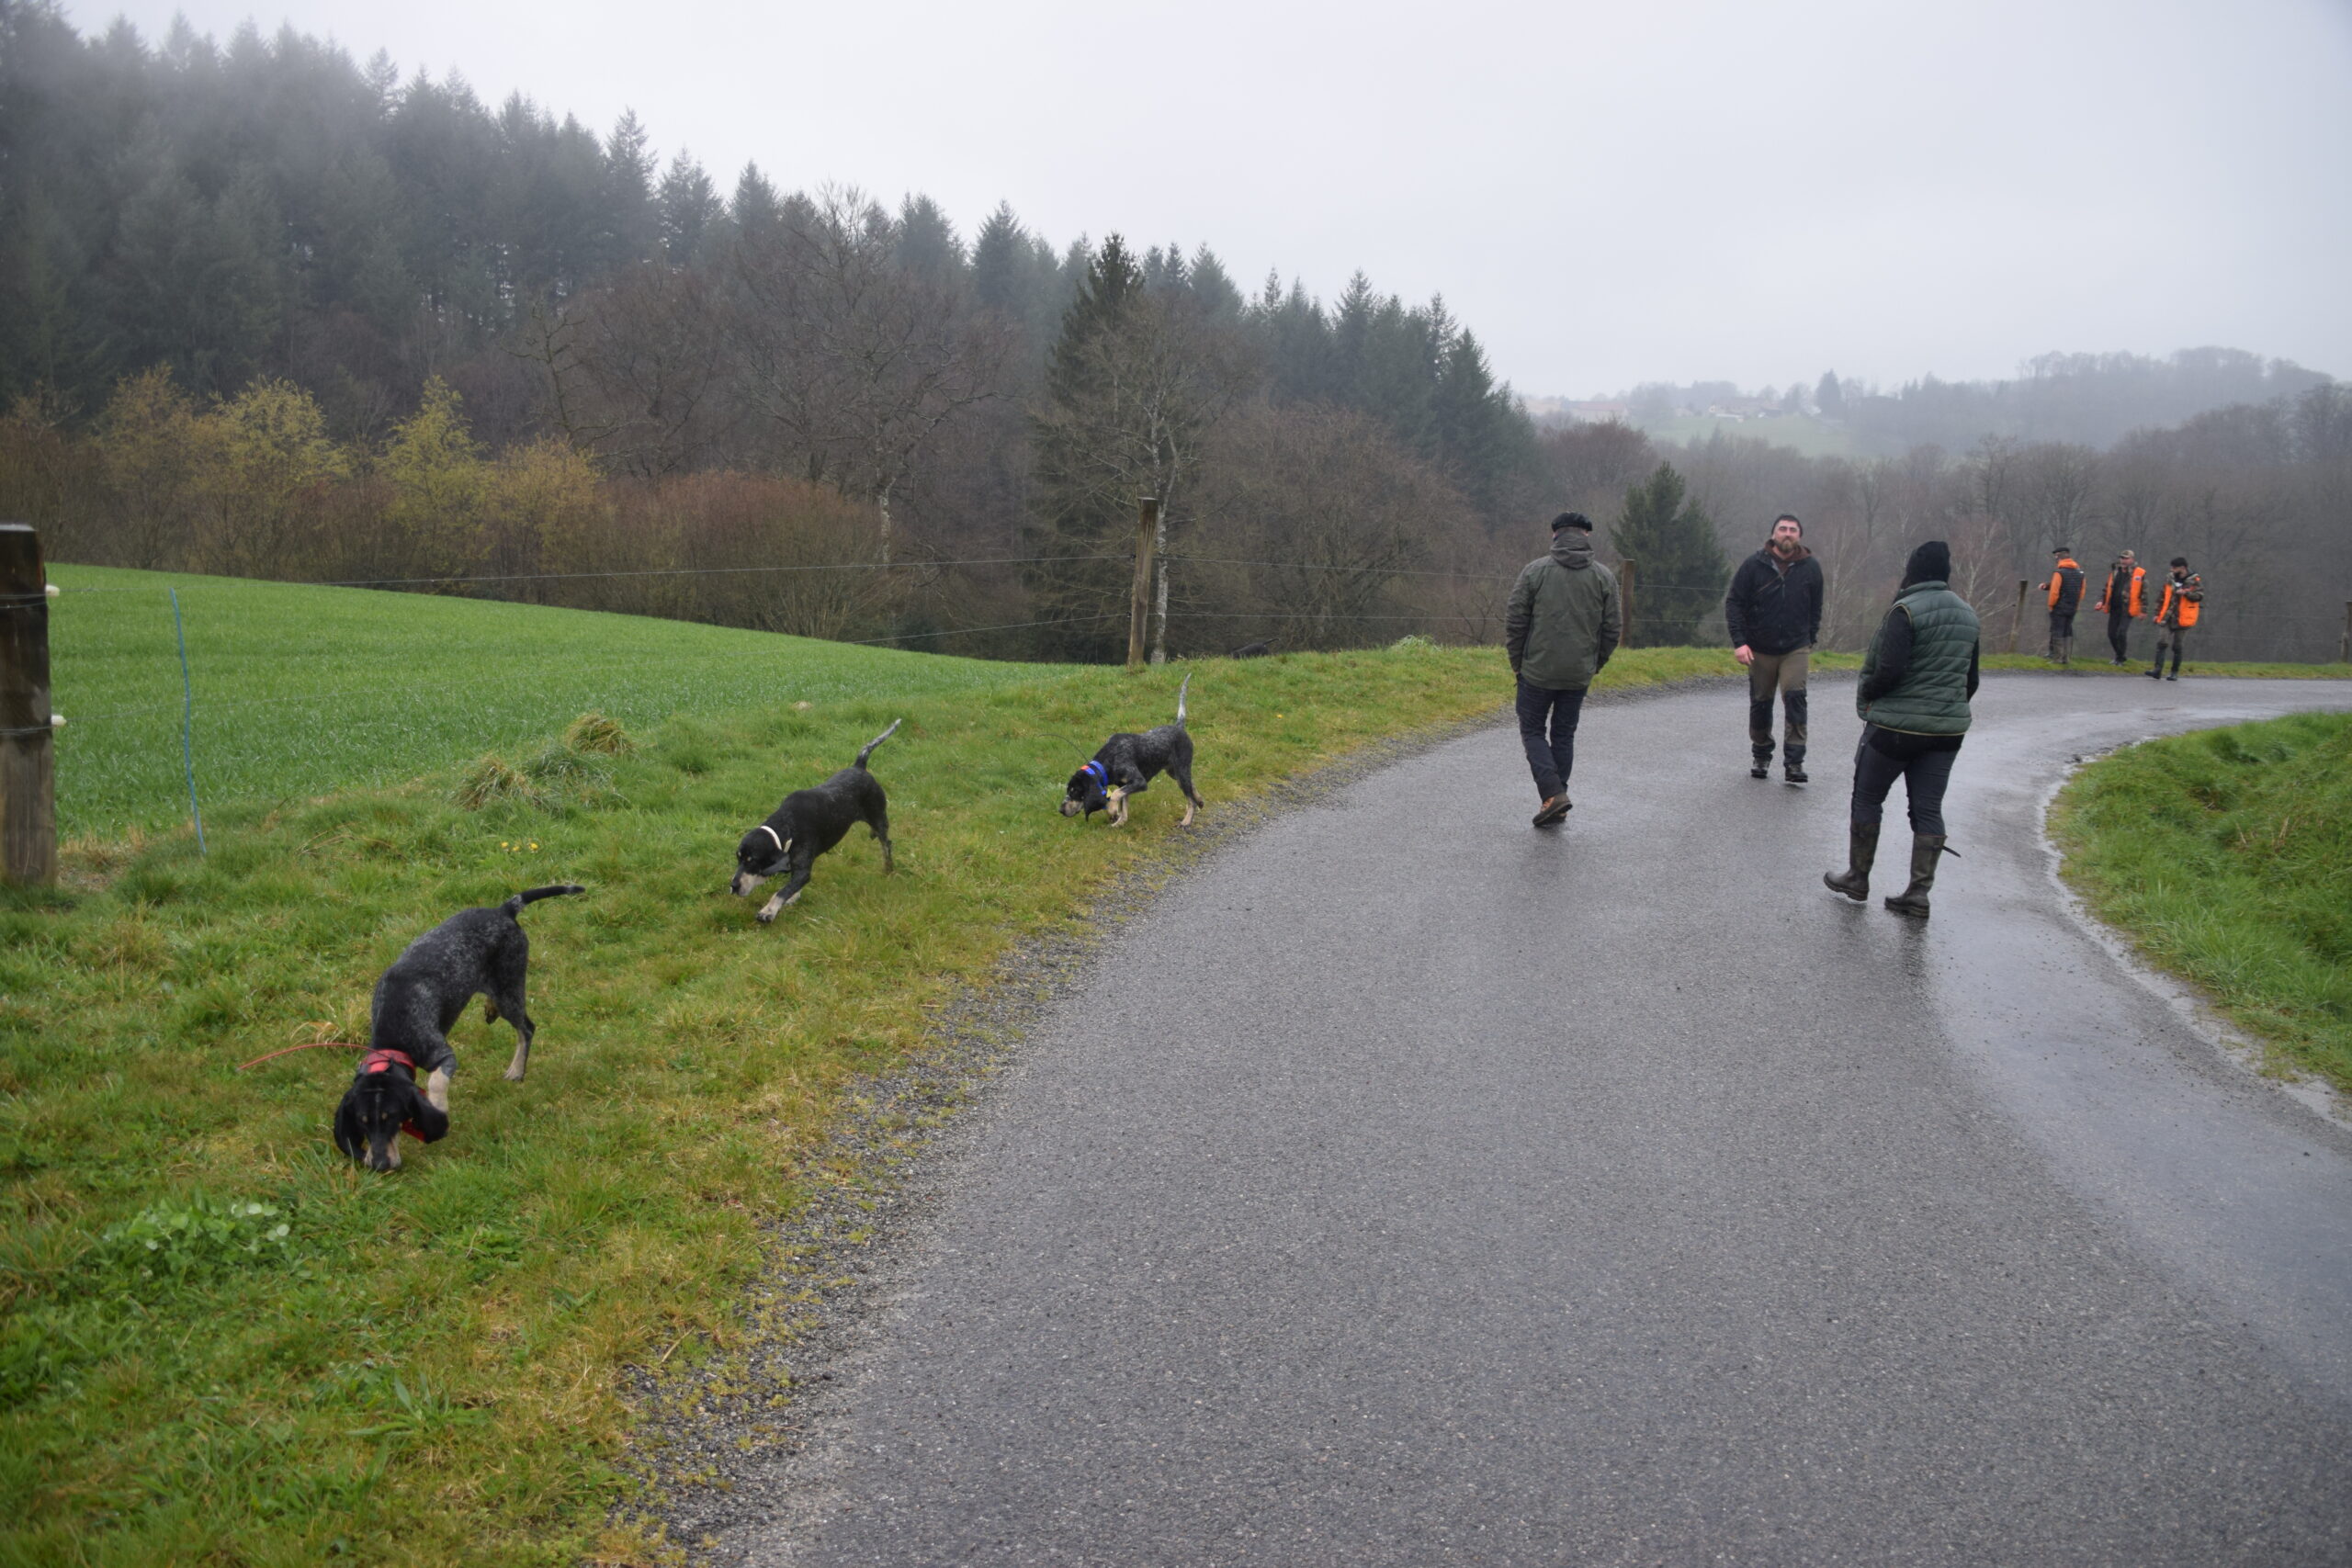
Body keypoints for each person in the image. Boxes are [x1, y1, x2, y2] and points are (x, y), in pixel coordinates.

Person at [1824, 539, 1981, 919]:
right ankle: (1917, 894)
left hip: (1893, 729)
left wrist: (1870, 694)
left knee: (1867, 796)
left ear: (1912, 570)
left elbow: (1889, 669)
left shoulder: (1905, 610)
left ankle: (1858, 877)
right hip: (1946, 734)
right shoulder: (1968, 616)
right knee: (1928, 808)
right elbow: (1971, 680)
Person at [1505, 511, 1621, 827]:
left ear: (1555, 534)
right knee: (1564, 734)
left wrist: (1518, 663)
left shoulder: (1535, 571)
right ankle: (1557, 801)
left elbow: (1515, 622)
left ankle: (1553, 794)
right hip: (1578, 673)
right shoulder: (1604, 577)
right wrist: (1594, 665)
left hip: (1537, 671)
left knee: (1532, 730)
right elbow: (1612, 629)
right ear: (1586, 535)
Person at [1723, 513, 1825, 782]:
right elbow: (1734, 603)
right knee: (1760, 702)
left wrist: (1809, 637)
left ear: (1799, 536)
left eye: (1792, 529)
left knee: (1795, 698)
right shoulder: (1754, 565)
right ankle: (1761, 753)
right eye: (1783, 529)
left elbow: (1816, 606)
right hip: (1759, 647)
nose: (1787, 533)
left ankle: (1794, 762)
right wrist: (1740, 642)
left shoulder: (1811, 567)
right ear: (1773, 534)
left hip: (1795, 647)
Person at [2149, 558, 2201, 681]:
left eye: (2174, 567)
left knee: (2177, 646)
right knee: (2162, 642)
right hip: (2167, 616)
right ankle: (2157, 670)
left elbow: (2199, 596)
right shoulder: (2170, 579)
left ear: (2182, 568)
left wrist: (2186, 593)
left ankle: (2174, 672)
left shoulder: (2194, 580)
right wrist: (2157, 613)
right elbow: (2161, 596)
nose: (2171, 570)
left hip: (2183, 617)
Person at [2094, 549, 2145, 666]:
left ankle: (2120, 659)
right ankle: (2120, 656)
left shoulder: (2139, 573)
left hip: (2128, 609)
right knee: (2111, 634)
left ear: (2132, 560)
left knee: (2121, 633)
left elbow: (2144, 593)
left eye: (2126, 558)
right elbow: (2107, 588)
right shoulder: (2115, 571)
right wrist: (2101, 601)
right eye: (2122, 558)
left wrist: (2143, 610)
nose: (2123, 560)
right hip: (2114, 607)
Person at [2043, 546, 2087, 665]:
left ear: (2058, 557)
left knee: (2057, 631)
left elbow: (2054, 592)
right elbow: (2082, 592)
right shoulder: (2080, 573)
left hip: (2059, 607)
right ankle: (2066, 658)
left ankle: (2057, 658)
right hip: (2072, 607)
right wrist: (2076, 604)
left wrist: (2051, 605)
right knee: (2067, 631)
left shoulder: (2059, 573)